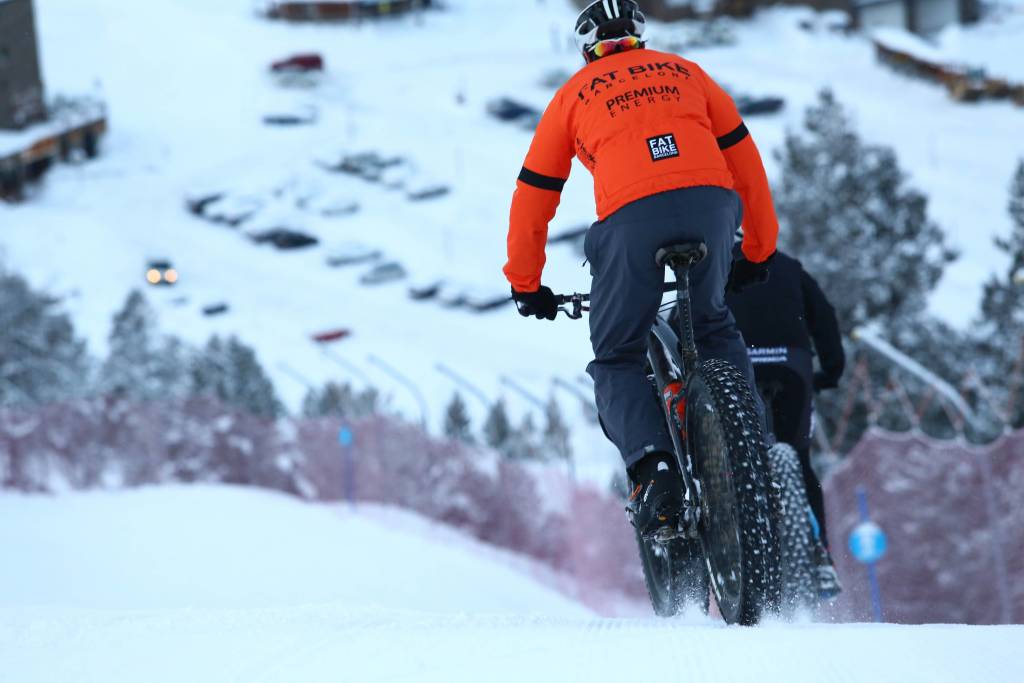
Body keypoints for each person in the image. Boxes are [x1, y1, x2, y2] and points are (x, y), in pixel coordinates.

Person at [503, 0, 778, 536]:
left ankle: (654, 472)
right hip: (712, 207)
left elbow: (534, 194)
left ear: (588, 49)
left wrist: (527, 284)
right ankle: (750, 458)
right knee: (714, 322)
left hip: (631, 222)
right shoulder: (688, 73)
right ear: (640, 40)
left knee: (617, 355)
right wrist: (760, 250)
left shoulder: (573, 94)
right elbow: (747, 162)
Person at [725, 244, 845, 596]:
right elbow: (824, 316)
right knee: (799, 456)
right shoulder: (788, 265)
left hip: (738, 362)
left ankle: (740, 557)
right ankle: (821, 557)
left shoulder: (712, 266)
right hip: (792, 365)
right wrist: (832, 371)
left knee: (738, 462)